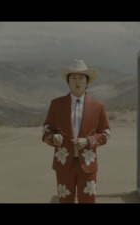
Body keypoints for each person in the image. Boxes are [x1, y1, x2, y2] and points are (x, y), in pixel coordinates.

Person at [42, 59, 110, 203]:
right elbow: (46, 130)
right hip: (63, 162)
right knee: (65, 201)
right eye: (73, 78)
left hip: (88, 162)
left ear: (87, 82)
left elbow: (105, 133)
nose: (77, 81)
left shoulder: (98, 106)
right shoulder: (56, 104)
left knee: (88, 200)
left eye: (81, 78)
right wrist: (53, 138)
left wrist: (88, 141)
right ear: (68, 82)